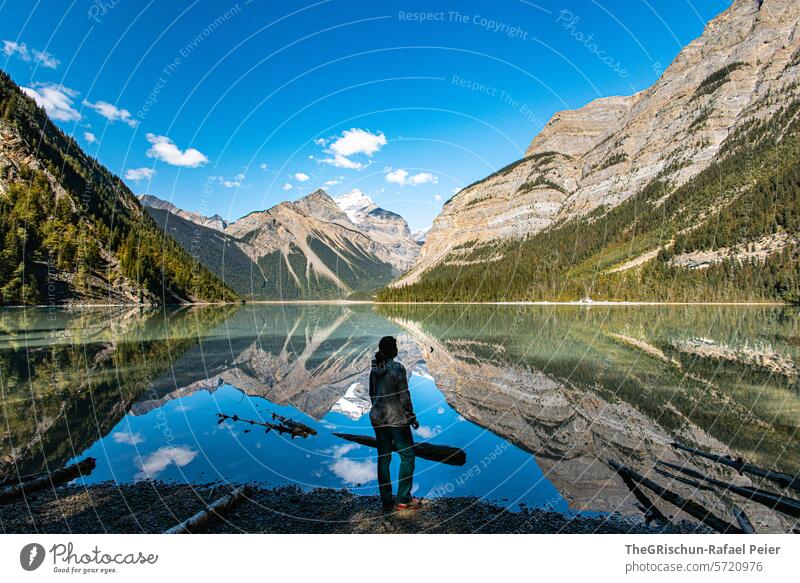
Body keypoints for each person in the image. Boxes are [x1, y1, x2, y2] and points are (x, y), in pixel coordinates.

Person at [369, 335, 421, 512]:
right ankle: (403, 499)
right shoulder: (398, 370)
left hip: (377, 418)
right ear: (393, 350)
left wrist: (378, 409)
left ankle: (386, 499)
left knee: (384, 458)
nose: (398, 348)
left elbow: (372, 395)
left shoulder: (374, 369)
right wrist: (411, 417)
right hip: (396, 420)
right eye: (396, 346)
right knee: (407, 456)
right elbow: (404, 397)